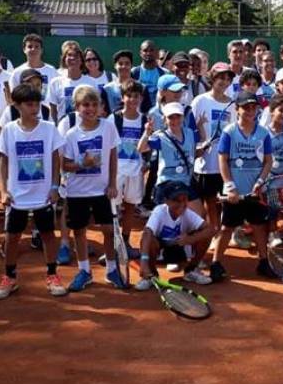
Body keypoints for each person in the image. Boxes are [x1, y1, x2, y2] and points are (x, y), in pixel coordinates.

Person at [0, 83, 68, 300]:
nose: (34, 108)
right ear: (17, 105)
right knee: (12, 236)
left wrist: (55, 186)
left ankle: (52, 275)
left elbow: (55, 159)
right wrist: (5, 191)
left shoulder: (49, 128)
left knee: (47, 235)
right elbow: (3, 162)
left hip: (43, 195)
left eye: (36, 104)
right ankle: (9, 277)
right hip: (16, 196)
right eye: (28, 104)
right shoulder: (8, 130)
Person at [60, 85, 124, 291]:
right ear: (77, 108)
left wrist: (113, 183)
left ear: (100, 107)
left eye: (94, 104)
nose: (90, 108)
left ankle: (112, 269)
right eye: (85, 105)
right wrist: (83, 165)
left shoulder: (108, 127)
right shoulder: (71, 134)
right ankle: (84, 271)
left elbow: (113, 156)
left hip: (102, 190)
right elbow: (65, 165)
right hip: (76, 191)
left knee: (108, 230)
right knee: (79, 231)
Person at [211, 92, 274, 281]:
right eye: (246, 107)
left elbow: (268, 162)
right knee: (226, 228)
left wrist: (260, 183)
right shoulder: (229, 132)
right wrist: (230, 187)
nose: (250, 111)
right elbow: (222, 160)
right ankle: (216, 264)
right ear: (237, 109)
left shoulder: (263, 133)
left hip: (254, 191)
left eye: (253, 107)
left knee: (259, 226)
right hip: (234, 192)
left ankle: (264, 263)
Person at [134, 181, 215, 289]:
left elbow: (211, 230)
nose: (182, 204)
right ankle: (151, 276)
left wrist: (190, 239)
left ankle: (190, 271)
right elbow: (147, 233)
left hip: (180, 248)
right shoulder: (159, 211)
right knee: (149, 240)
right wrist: (143, 262)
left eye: (185, 199)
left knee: (205, 236)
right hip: (161, 250)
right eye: (177, 200)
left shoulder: (188, 213)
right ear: (166, 201)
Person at [191, 63, 236, 235]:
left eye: (227, 78)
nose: (224, 81)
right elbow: (191, 130)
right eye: (220, 77)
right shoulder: (200, 101)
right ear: (212, 78)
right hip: (203, 164)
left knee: (218, 202)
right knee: (204, 204)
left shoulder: (232, 105)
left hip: (223, 164)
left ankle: (215, 234)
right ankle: (203, 235)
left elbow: (232, 133)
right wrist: (200, 142)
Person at [138, 102, 201, 213]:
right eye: (171, 117)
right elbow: (141, 149)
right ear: (164, 120)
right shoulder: (160, 136)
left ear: (182, 117)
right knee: (168, 220)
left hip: (185, 182)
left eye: (178, 116)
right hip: (166, 183)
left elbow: (199, 143)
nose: (175, 120)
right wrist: (147, 133)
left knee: (198, 215)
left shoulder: (190, 133)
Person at [111, 80, 148, 251]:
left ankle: (124, 242)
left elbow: (146, 147)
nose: (133, 100)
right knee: (113, 208)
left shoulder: (145, 120)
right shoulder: (114, 118)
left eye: (136, 96)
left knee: (130, 206)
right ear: (122, 97)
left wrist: (145, 162)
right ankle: (113, 242)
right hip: (116, 171)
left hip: (135, 171)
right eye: (129, 96)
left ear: (141, 98)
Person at [48, 43, 95, 123]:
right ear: (64, 59)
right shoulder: (55, 83)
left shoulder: (91, 82)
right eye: (69, 55)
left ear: (81, 60)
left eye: (76, 56)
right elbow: (53, 110)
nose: (72, 58)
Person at [8, 34, 58, 104]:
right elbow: (13, 97)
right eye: (30, 46)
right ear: (24, 50)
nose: (33, 49)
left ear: (42, 50)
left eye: (37, 47)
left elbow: (57, 95)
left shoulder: (51, 70)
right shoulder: (17, 72)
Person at [131, 39, 167, 107]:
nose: (148, 53)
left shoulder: (164, 73)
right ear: (140, 53)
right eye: (145, 50)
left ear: (156, 53)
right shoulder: (134, 72)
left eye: (151, 50)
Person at [101, 49, 137, 115]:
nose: (124, 66)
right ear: (115, 66)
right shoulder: (107, 89)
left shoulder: (141, 87)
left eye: (127, 63)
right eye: (120, 64)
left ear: (131, 65)